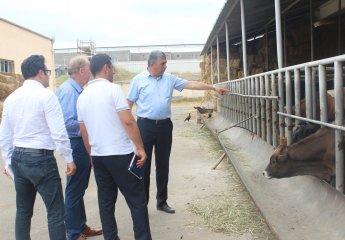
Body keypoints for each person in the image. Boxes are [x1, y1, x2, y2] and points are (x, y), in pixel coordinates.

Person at [127, 50, 229, 214]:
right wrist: (129, 130)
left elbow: (191, 84)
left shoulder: (169, 79)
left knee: (163, 165)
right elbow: (128, 104)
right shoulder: (138, 80)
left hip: (164, 127)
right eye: (163, 63)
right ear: (152, 64)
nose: (165, 66)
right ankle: (142, 203)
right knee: (143, 166)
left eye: (166, 63)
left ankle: (162, 201)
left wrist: (213, 87)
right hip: (145, 126)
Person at [0, 55, 77, 240]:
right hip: (41, 159)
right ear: (40, 72)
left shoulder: (11, 98)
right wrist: (69, 159)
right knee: (56, 212)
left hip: (19, 157)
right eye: (48, 72)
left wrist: (8, 160)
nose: (49, 77)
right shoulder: (46, 96)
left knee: (23, 211)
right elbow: (59, 132)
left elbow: (5, 134)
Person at [77, 53, 152, 240]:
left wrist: (92, 155)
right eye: (112, 68)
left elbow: (83, 131)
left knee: (106, 202)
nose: (113, 72)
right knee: (136, 200)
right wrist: (140, 148)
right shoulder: (113, 89)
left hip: (99, 156)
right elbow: (128, 122)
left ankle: (111, 237)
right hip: (121, 154)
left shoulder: (82, 96)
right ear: (106, 67)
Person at [56, 55, 103, 240]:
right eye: (89, 69)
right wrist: (89, 124)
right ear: (82, 70)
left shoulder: (75, 90)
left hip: (77, 142)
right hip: (75, 143)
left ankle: (80, 226)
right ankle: (74, 233)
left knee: (78, 188)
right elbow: (68, 123)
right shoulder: (69, 92)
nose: (90, 72)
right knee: (74, 189)